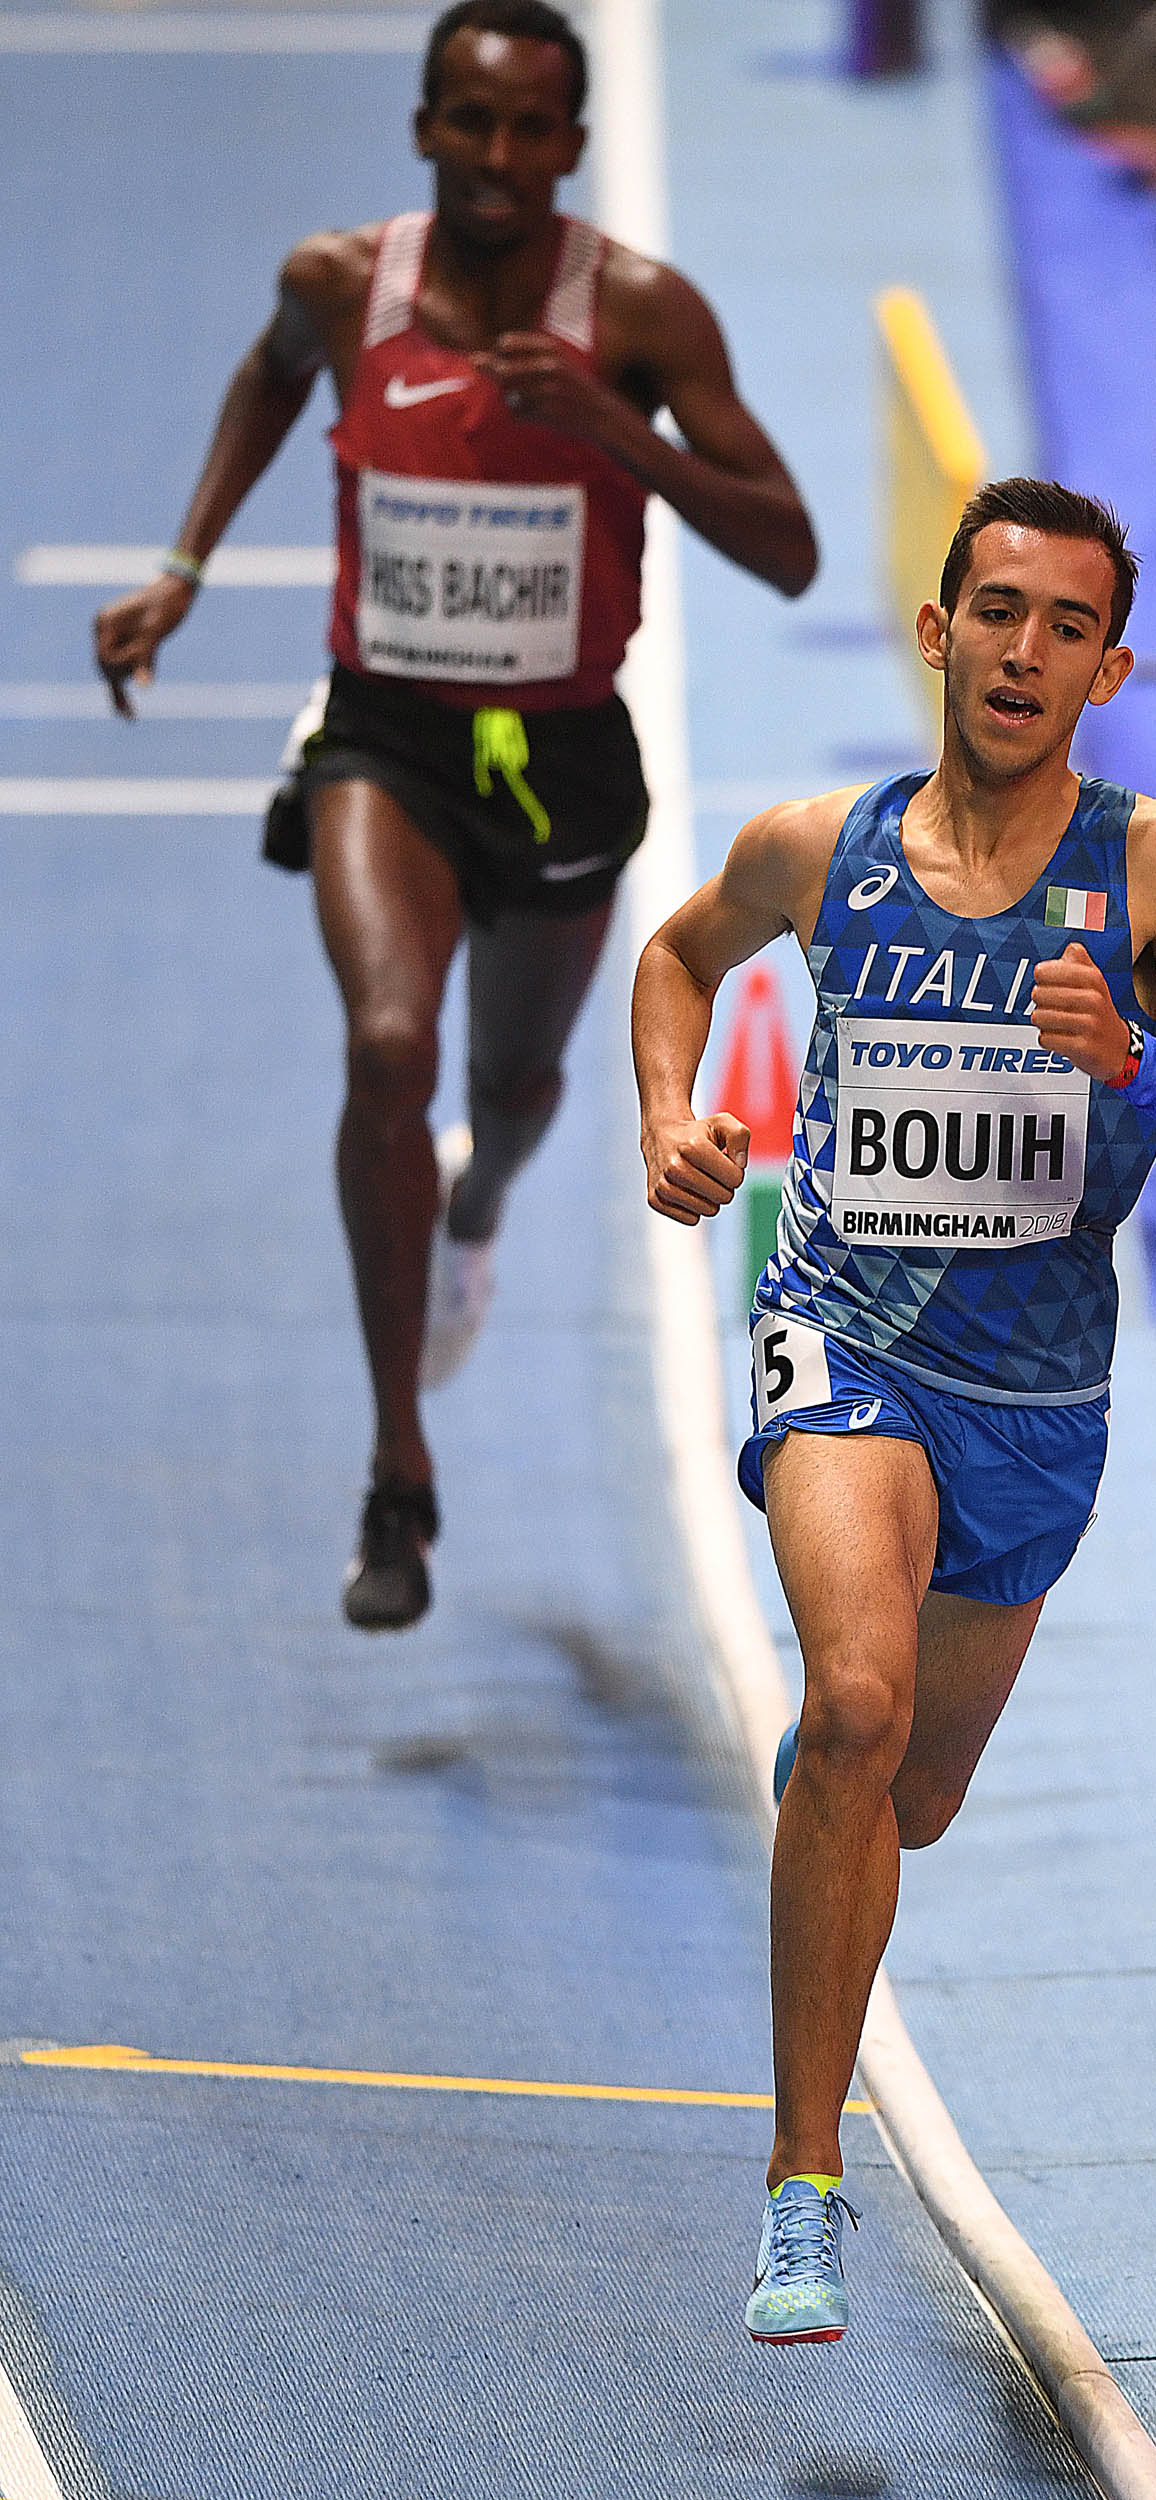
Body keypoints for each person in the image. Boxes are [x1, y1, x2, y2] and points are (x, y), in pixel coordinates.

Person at [631, 476, 1156, 2345]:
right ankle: (803, 2185)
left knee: (905, 1795)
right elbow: (676, 956)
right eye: (996, 612)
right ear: (939, 632)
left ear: (1108, 670)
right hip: (841, 1332)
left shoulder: (1154, 868)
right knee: (855, 1703)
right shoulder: (819, 848)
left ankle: (834, 1802)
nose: (1023, 650)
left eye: (1065, 626)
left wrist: (1142, 1066)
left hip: (1035, 1402)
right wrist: (671, 1118)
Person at [92, 0, 817, 1633]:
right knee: (386, 1047)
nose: (498, 154)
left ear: (572, 143)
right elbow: (266, 381)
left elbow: (788, 549)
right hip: (389, 738)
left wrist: (612, 427)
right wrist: (184, 567)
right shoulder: (338, 283)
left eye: (530, 127)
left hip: (562, 757)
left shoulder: (640, 315)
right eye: (469, 121)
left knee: (515, 1088)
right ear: (424, 126)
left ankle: (472, 1203)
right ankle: (398, 1475)